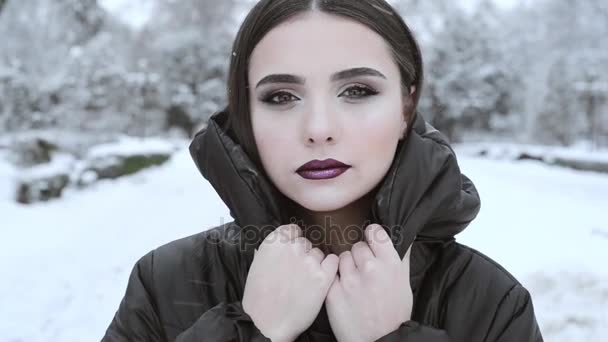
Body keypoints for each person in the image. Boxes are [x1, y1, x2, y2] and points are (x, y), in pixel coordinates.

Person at [102, 0, 544, 341]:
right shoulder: (163, 282)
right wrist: (251, 331)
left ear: (406, 106)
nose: (318, 129)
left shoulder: (493, 303)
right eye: (280, 97)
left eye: (357, 90)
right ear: (245, 116)